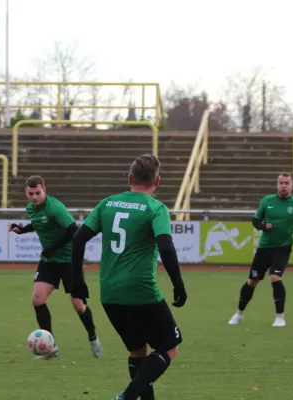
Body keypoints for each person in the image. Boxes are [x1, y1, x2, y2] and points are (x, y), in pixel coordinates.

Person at [70, 154, 187, 400]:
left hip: (110, 293)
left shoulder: (108, 203)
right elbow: (165, 246)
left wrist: (77, 282)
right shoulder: (156, 209)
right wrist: (178, 284)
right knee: (169, 348)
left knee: (137, 352)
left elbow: (79, 238)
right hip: (142, 291)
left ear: (130, 178)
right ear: (157, 182)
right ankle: (126, 397)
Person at [9, 175, 102, 360]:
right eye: (30, 193)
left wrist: (52, 248)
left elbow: (73, 230)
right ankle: (50, 347)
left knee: (78, 305)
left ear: (45, 191)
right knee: (37, 299)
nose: (34, 197)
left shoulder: (55, 207)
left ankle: (92, 336)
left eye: (38, 193)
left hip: (69, 261)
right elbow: (39, 224)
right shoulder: (31, 208)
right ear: (26, 193)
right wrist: (22, 230)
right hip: (49, 261)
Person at [228, 173, 293, 328]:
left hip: (282, 248)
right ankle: (239, 314)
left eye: (286, 183)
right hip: (264, 248)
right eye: (281, 183)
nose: (283, 186)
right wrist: (263, 226)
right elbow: (255, 221)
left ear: (292, 186)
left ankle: (280, 317)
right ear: (277, 185)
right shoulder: (267, 201)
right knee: (252, 281)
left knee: (275, 277)